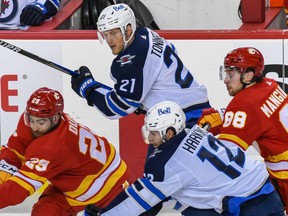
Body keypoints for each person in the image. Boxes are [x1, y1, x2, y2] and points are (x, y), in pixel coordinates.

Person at [84, 101, 284, 216]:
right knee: (188, 205)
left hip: (248, 207)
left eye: (154, 133)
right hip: (263, 188)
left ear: (170, 133)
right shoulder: (192, 130)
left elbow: (136, 201)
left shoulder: (166, 163)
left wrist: (105, 214)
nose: (150, 138)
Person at [70, 3, 210, 124]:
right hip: (201, 109)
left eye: (113, 33)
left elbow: (115, 109)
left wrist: (87, 89)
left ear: (128, 29)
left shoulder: (132, 61)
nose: (109, 40)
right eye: (105, 35)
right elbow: (171, 51)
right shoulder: (147, 33)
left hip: (187, 118)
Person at [0, 87, 130, 215]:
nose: (34, 127)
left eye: (41, 122)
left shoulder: (53, 147)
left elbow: (17, 191)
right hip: (76, 179)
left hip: (110, 186)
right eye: (31, 119)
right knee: (45, 211)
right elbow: (14, 152)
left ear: (55, 118)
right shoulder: (32, 121)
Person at [197, 47, 288, 214]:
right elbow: (258, 114)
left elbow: (226, 154)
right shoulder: (270, 84)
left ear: (248, 76)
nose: (226, 80)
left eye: (231, 75)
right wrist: (224, 116)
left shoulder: (243, 104)